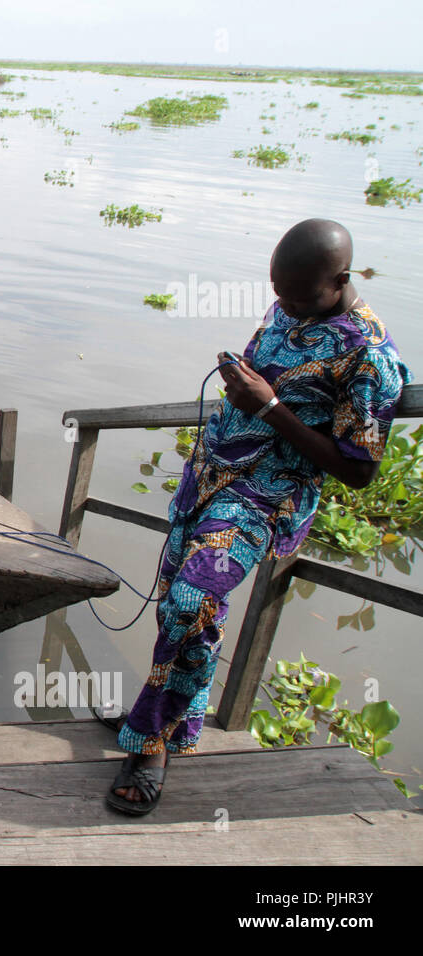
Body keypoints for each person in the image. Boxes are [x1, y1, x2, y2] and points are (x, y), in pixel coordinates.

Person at [106, 218, 413, 814]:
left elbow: (357, 470)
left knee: (192, 603)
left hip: (260, 501)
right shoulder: (289, 306)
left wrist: (269, 407)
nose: (284, 305)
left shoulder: (369, 358)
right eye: (278, 293)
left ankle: (151, 745)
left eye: (296, 296)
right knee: (181, 607)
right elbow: (270, 360)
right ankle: (172, 717)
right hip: (210, 478)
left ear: (340, 281)